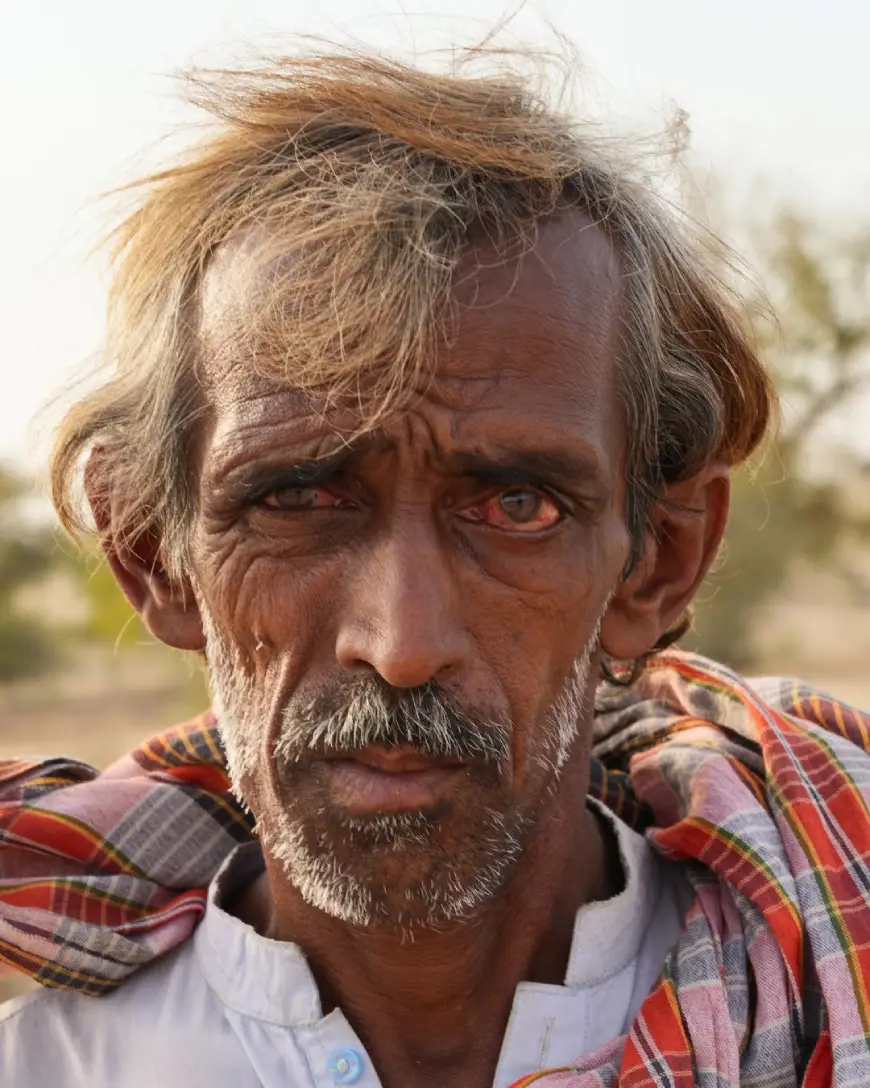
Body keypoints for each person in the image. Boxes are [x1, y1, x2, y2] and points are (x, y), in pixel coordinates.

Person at [2, 47, 870, 1088]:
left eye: (517, 504)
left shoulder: (828, 992)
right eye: (297, 498)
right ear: (155, 553)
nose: (403, 643)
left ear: (658, 563)